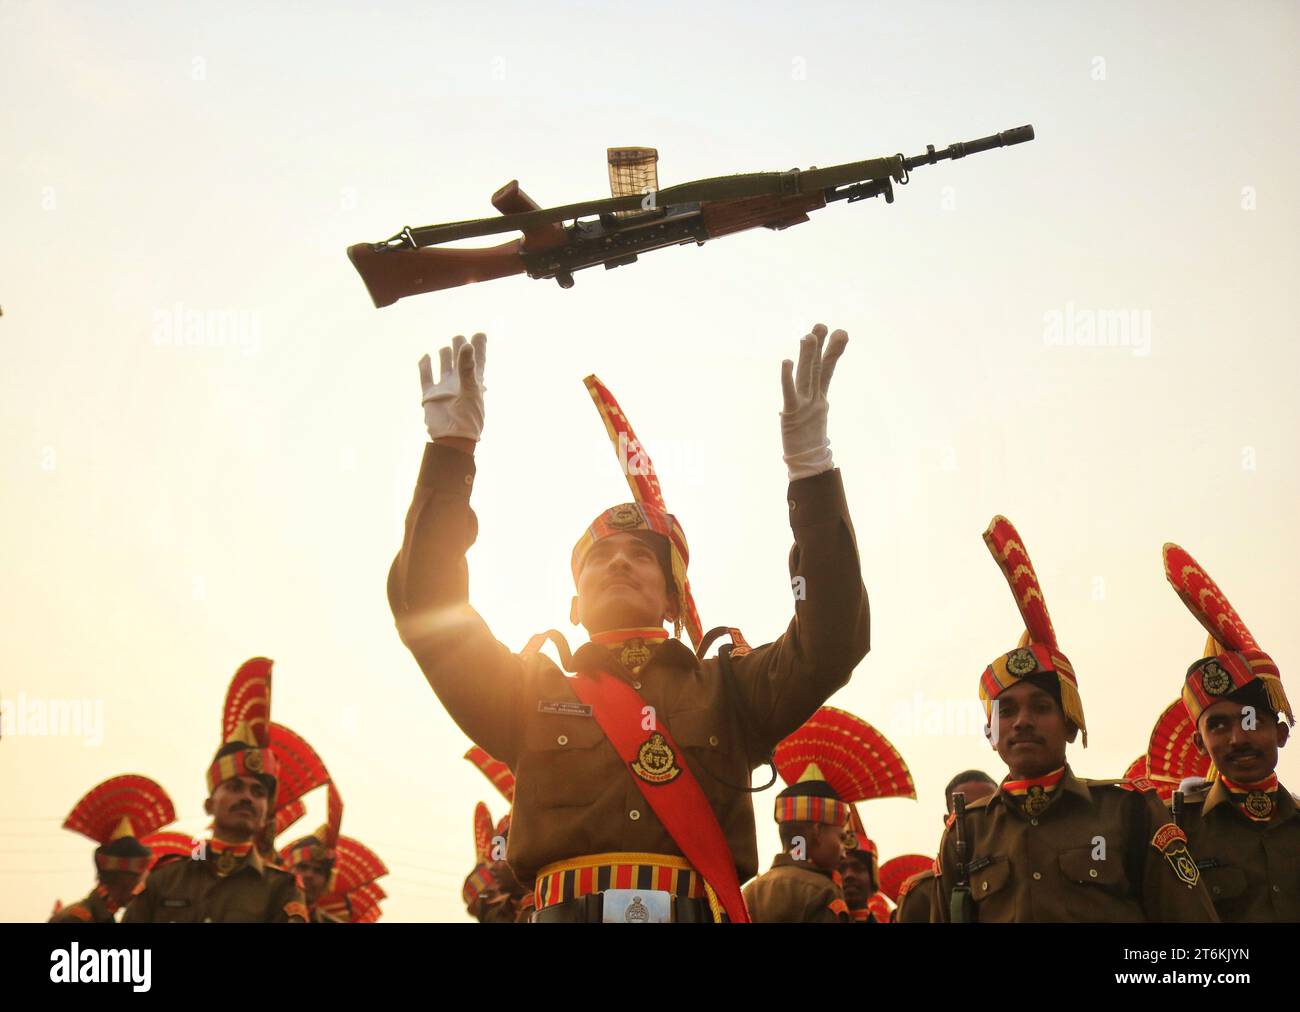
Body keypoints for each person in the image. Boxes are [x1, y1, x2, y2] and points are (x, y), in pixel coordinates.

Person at [389, 325, 870, 922]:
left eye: (642, 554)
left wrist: (811, 472)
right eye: (599, 559)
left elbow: (831, 640)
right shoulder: (527, 690)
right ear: (574, 604)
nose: (619, 560)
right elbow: (425, 607)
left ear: (673, 599)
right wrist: (450, 454)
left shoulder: (730, 691)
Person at [930, 516, 1218, 922]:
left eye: (1041, 707)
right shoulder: (966, 835)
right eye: (1007, 711)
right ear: (990, 733)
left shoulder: (1129, 812)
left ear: (1070, 723)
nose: (1023, 721)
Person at [1162, 543, 1299, 921]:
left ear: (1282, 733)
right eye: (1218, 725)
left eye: (1252, 719)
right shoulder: (1171, 827)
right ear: (1199, 744)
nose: (1238, 738)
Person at [124, 723, 307, 923]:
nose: (247, 797)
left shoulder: (282, 888)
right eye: (235, 787)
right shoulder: (165, 879)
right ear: (209, 805)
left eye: (258, 792)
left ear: (266, 815)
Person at [51, 775, 175, 923]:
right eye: (132, 884)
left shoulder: (104, 916)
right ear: (118, 884)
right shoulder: (77, 919)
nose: (134, 893)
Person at [742, 765, 851, 923]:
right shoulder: (822, 891)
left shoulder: (750, 891)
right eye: (841, 838)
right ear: (817, 831)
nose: (843, 853)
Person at [893, 770, 996, 924]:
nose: (977, 818)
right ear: (948, 821)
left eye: (986, 808)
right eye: (967, 811)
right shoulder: (921, 893)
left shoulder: (1022, 869)